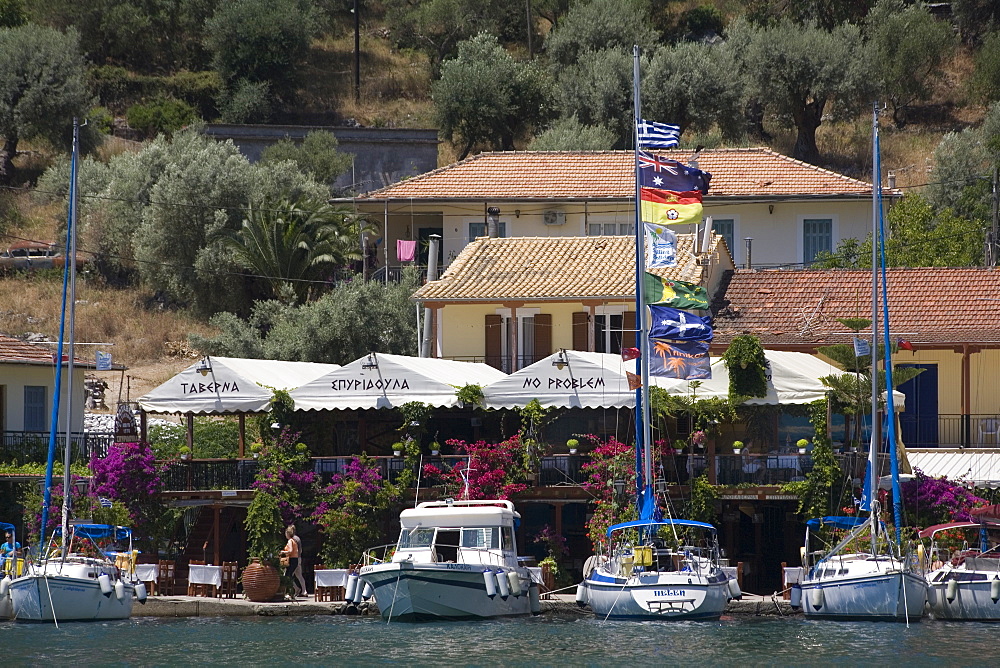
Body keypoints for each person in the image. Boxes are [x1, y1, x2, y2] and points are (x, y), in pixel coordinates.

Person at [280, 526, 301, 598]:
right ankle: (294, 589)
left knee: (288, 576)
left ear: (288, 533)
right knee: (289, 575)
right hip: (294, 559)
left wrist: (283, 552)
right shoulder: (294, 541)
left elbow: (291, 550)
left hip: (292, 559)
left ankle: (290, 592)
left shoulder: (290, 541)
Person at [289, 525, 308, 598]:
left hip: (293, 558)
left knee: (288, 575)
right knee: (299, 575)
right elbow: (301, 550)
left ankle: (295, 588)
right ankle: (304, 590)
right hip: (299, 558)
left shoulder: (292, 540)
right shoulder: (298, 538)